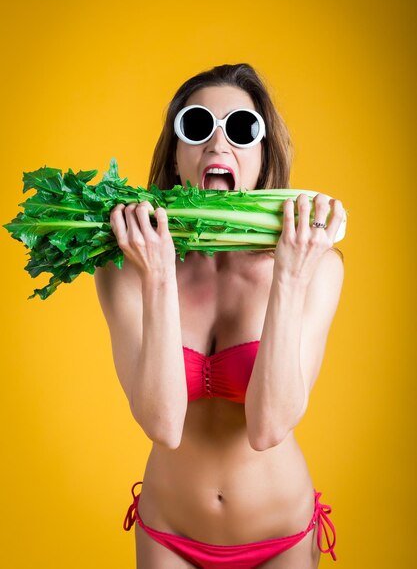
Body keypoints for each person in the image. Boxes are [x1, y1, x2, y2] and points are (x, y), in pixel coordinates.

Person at [94, 63, 344, 568]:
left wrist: (290, 278)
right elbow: (163, 423)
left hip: (281, 537)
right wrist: (159, 275)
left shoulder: (317, 268)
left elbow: (268, 427)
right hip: (169, 533)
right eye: (197, 126)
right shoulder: (123, 269)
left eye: (241, 130)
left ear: (262, 155)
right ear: (176, 153)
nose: (218, 145)